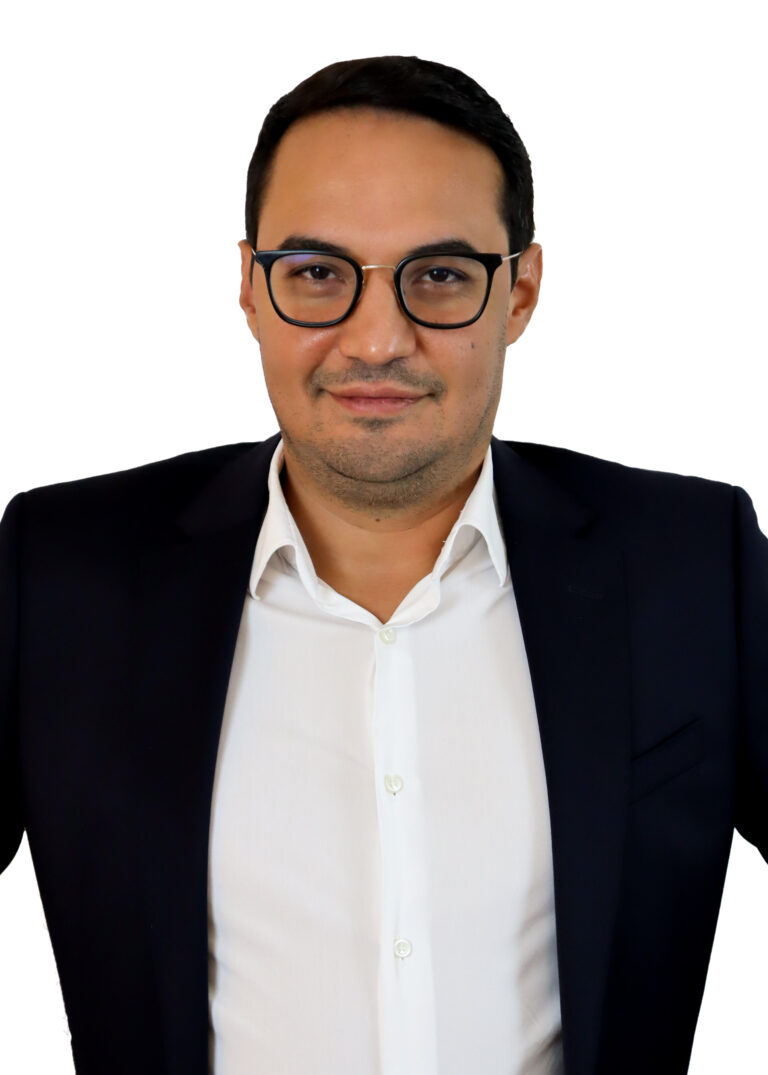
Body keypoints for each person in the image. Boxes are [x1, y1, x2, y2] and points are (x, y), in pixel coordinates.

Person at [0, 53, 765, 1075]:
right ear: (250, 287)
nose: (374, 341)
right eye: (318, 273)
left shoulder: (694, 565)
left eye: (438, 275)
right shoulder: (63, 572)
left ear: (520, 290)